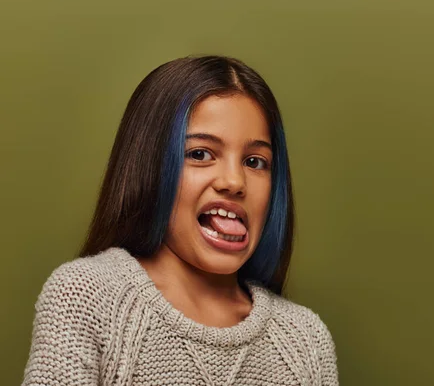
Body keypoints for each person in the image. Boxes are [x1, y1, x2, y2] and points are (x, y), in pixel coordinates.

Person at [22, 56, 339, 385]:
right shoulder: (86, 296)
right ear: (150, 167)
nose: (234, 181)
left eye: (255, 161)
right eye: (200, 154)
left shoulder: (305, 341)